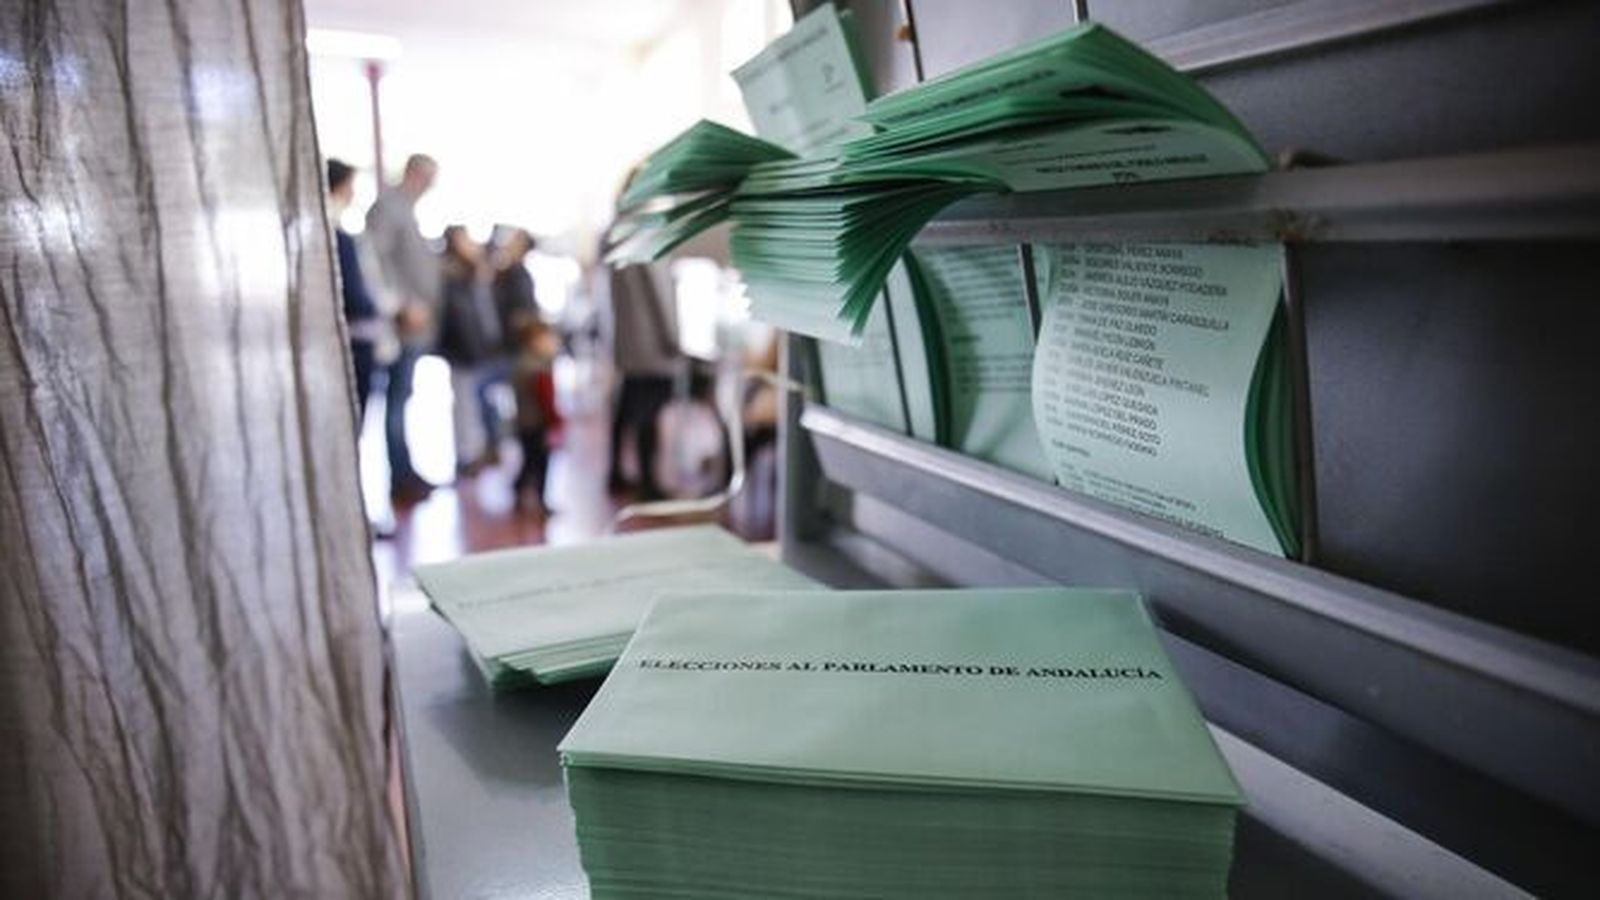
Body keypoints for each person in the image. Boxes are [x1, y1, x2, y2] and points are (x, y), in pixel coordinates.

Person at [364, 153, 440, 506]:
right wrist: (403, 304)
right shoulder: (388, 208)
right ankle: (400, 477)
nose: (430, 187)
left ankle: (405, 470)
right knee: (395, 403)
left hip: (416, 324)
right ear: (413, 173)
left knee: (403, 400)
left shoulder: (406, 209)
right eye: (427, 178)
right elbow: (374, 260)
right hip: (401, 324)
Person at [599, 261, 681, 500]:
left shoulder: (616, 236)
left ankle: (616, 473)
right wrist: (673, 340)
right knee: (648, 413)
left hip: (628, 347)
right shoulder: (648, 235)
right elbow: (659, 297)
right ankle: (648, 483)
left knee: (626, 409)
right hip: (653, 348)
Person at [436, 225, 501, 475]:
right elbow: (457, 318)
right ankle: (467, 455)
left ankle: (481, 447)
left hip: (480, 348)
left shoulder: (477, 273)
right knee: (463, 404)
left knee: (481, 400)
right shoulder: (451, 274)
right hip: (462, 349)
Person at [325, 158, 378, 422]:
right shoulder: (336, 235)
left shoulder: (335, 231)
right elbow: (355, 296)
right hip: (354, 336)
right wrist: (377, 310)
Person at [510, 318, 561, 515]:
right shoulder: (538, 369)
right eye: (549, 339)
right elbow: (546, 400)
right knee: (540, 463)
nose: (553, 343)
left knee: (529, 461)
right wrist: (556, 420)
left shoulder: (522, 364)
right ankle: (540, 498)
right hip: (536, 424)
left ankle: (519, 488)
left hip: (523, 423)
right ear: (534, 341)